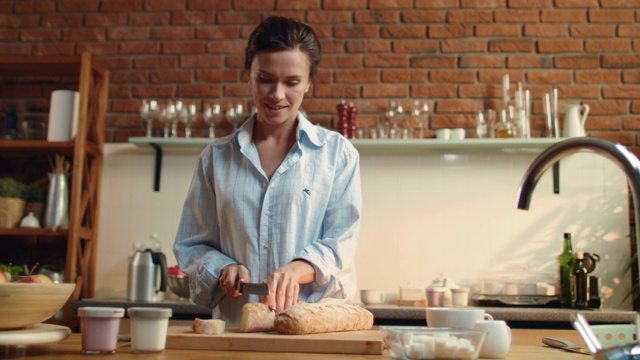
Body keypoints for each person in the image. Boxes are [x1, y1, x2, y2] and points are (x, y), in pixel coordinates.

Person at [173, 16, 362, 326]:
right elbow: (191, 244)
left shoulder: (337, 155)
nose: (276, 94)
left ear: (309, 83)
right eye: (265, 78)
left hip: (310, 333)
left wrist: (298, 268)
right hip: (236, 333)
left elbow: (341, 242)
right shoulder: (215, 159)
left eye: (292, 82)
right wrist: (222, 268)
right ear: (248, 75)